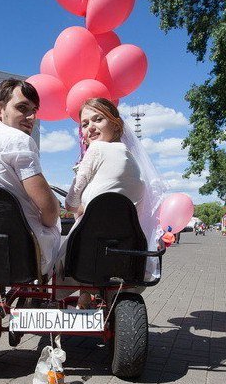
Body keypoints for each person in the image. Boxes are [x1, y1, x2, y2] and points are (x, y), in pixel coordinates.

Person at [59, 98, 165, 306]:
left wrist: (79, 207)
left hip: (84, 251)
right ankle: (90, 297)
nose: (90, 128)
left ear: (116, 124)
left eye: (97, 119)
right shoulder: (134, 162)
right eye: (85, 124)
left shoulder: (96, 150)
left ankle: (70, 298)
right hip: (127, 250)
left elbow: (71, 203)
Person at [0, 78, 61, 277]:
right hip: (27, 253)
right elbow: (49, 210)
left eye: (34, 110)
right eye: (22, 108)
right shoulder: (19, 140)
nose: (31, 116)